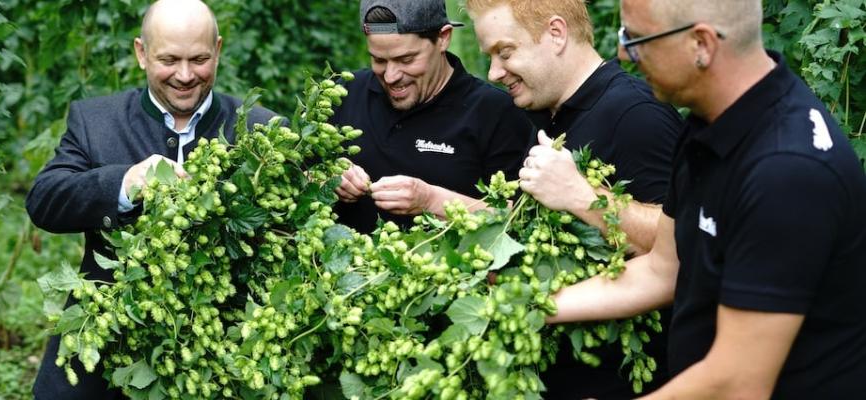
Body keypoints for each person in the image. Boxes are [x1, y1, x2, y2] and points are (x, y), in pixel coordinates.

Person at [544, 0, 866, 398]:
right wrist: (535, 306)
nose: (624, 52)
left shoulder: (786, 172)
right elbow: (663, 270)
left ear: (702, 44)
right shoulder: (711, 121)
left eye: (637, 38)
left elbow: (738, 383)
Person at [25, 1, 277, 398]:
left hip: (222, 363)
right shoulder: (95, 121)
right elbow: (44, 201)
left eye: (199, 59)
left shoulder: (261, 130)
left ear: (219, 50)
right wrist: (123, 183)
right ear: (141, 53)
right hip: (106, 358)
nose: (185, 75)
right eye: (169, 59)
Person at [466, 0, 682, 397]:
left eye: (505, 52)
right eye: (490, 57)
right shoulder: (541, 113)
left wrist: (582, 196)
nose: (494, 72)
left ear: (556, 33)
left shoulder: (636, 114)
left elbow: (680, 245)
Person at [331, 0, 534, 234]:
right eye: (379, 60)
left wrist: (432, 201)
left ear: (443, 38)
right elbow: (297, 177)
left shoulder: (495, 112)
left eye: (406, 60)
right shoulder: (344, 92)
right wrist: (326, 178)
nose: (390, 76)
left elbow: (520, 220)